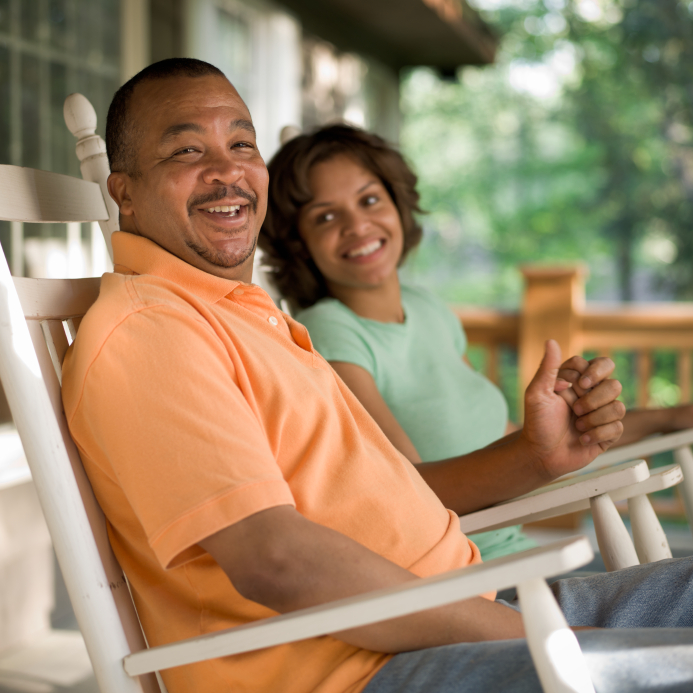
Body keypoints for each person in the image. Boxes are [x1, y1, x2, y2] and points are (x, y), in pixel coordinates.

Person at [61, 58, 693, 693]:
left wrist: (538, 456)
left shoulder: (249, 319)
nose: (227, 170)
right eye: (187, 150)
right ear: (126, 193)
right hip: (358, 669)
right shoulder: (152, 332)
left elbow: (397, 497)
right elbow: (274, 560)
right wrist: (542, 638)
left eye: (241, 143)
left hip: (457, 610)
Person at [259, 123, 693, 560]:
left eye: (370, 199)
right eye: (325, 216)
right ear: (299, 244)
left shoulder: (426, 309)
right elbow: (407, 491)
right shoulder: (330, 333)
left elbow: (511, 440)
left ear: (397, 204)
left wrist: (669, 417)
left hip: (519, 554)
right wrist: (537, 455)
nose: (357, 224)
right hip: (473, 578)